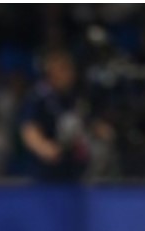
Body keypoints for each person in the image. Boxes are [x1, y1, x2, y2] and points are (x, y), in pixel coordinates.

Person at [17, 46, 104, 182]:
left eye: (70, 69)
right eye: (62, 69)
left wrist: (99, 129)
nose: (68, 74)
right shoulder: (39, 96)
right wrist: (43, 147)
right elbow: (29, 129)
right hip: (45, 172)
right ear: (50, 73)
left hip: (74, 168)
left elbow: (86, 121)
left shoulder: (76, 96)